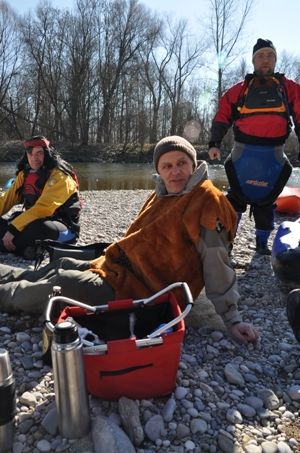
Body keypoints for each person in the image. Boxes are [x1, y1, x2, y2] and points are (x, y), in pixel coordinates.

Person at [0, 135, 259, 344]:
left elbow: (217, 262)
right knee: (62, 264)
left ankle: (6, 294)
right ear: (159, 170)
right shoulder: (162, 193)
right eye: (167, 166)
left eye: (181, 163)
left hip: (146, 292)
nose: (175, 172)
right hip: (120, 271)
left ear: (193, 164)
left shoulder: (207, 201)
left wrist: (232, 318)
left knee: (63, 283)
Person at [208, 38, 300, 255]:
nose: (265, 60)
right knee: (236, 198)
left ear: (275, 60)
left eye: (269, 55)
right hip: (243, 155)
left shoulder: (290, 88)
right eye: (260, 56)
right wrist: (214, 143)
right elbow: (222, 116)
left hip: (274, 155)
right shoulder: (239, 90)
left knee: (266, 201)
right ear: (253, 61)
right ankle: (228, 241)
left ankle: (261, 244)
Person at [0, 135, 81, 259]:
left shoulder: (60, 177)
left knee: (40, 227)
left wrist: (12, 230)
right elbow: (6, 200)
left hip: (62, 228)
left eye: (39, 153)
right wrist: (13, 228)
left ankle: (16, 246)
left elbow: (44, 208)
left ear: (48, 154)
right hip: (33, 221)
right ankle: (25, 248)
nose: (34, 158)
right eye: (30, 153)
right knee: (14, 221)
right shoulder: (24, 175)